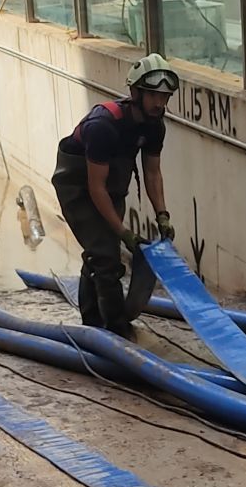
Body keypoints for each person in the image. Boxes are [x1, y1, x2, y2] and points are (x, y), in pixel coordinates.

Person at [51, 54, 179, 337]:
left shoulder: (155, 126)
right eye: (154, 96)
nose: (160, 103)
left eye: (165, 97)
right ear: (136, 93)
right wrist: (124, 232)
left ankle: (92, 323)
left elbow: (153, 173)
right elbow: (95, 187)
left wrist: (163, 216)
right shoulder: (103, 126)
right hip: (78, 187)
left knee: (100, 252)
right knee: (107, 257)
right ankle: (116, 331)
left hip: (112, 186)